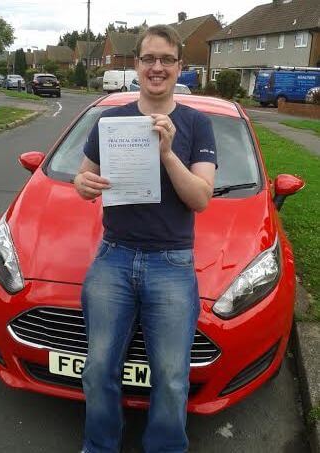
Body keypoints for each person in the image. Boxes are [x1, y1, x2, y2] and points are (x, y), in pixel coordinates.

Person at [74, 24, 217, 453]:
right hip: (114, 257)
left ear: (179, 67)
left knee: (172, 376)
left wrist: (168, 153)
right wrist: (82, 184)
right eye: (149, 58)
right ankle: (99, 447)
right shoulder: (110, 120)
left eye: (166, 60)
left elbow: (201, 198)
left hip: (172, 263)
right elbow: (82, 174)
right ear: (135, 64)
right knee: (98, 368)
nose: (157, 67)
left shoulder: (197, 124)